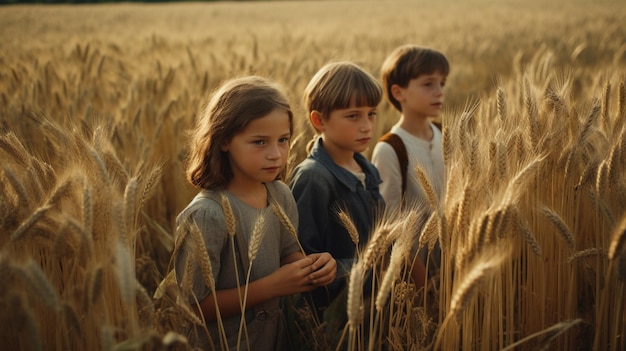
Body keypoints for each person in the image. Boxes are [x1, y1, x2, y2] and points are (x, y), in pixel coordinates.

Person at [173, 76, 337, 351]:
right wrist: (272, 286)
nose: (275, 154)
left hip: (274, 338)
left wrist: (313, 267)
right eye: (260, 142)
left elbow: (288, 253)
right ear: (224, 140)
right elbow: (194, 306)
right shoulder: (206, 215)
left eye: (283, 140)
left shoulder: (280, 195)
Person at [289, 62, 385, 317]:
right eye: (353, 116)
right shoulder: (314, 178)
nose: (367, 126)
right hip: (333, 318)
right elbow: (303, 261)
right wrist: (370, 271)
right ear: (319, 120)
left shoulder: (368, 170)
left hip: (373, 307)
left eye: (372, 113)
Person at [371, 45, 450, 287]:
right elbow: (391, 226)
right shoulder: (390, 149)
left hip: (452, 264)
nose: (439, 92)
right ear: (399, 92)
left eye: (442, 83)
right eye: (428, 84)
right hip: (414, 275)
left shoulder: (445, 134)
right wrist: (423, 283)